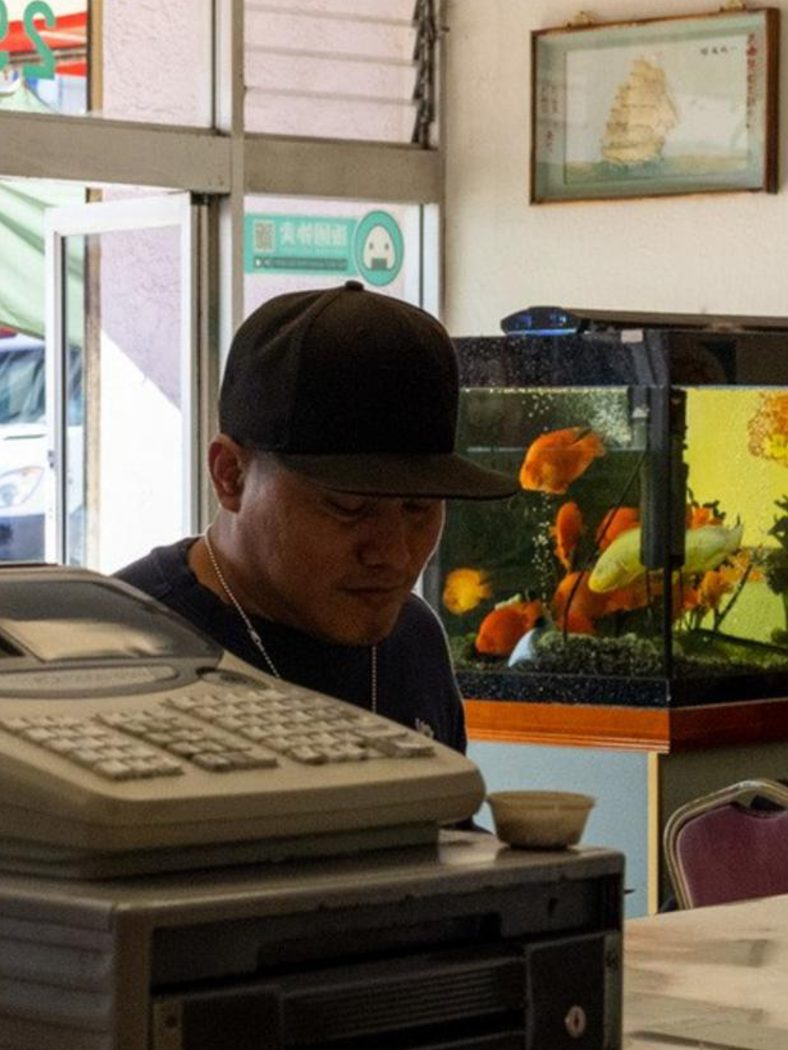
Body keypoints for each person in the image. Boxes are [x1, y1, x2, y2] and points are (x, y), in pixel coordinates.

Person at [114, 283, 514, 749]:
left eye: (418, 507)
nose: (393, 553)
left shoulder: (412, 638)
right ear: (231, 476)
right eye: (348, 506)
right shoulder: (119, 650)